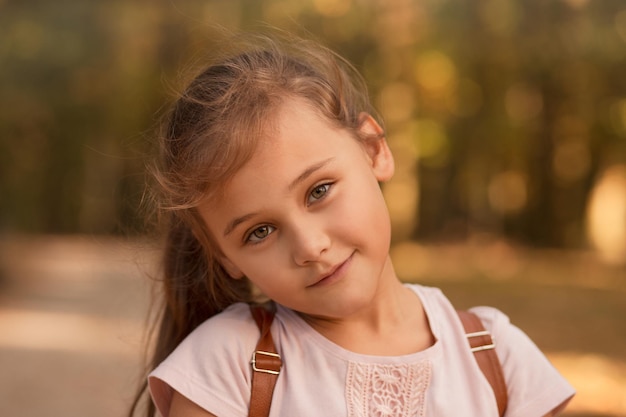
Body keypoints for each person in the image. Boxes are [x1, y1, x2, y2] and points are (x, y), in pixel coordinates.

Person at [129, 32, 575, 417]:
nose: (309, 246)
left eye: (318, 190)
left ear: (373, 148)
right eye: (259, 232)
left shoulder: (496, 355)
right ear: (225, 257)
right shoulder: (225, 366)